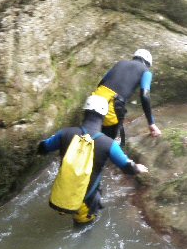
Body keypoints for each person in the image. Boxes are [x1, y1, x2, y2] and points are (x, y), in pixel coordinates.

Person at [37, 95, 148, 224]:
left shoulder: (65, 133)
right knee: (82, 229)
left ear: (84, 112)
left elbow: (43, 148)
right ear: (104, 116)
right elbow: (128, 168)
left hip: (63, 193)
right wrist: (138, 167)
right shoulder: (109, 144)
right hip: (85, 202)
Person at [92, 49, 162, 146]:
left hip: (93, 100)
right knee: (118, 142)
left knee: (91, 136)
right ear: (147, 63)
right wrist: (151, 123)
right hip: (111, 106)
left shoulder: (120, 63)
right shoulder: (146, 71)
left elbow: (101, 83)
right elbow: (145, 96)